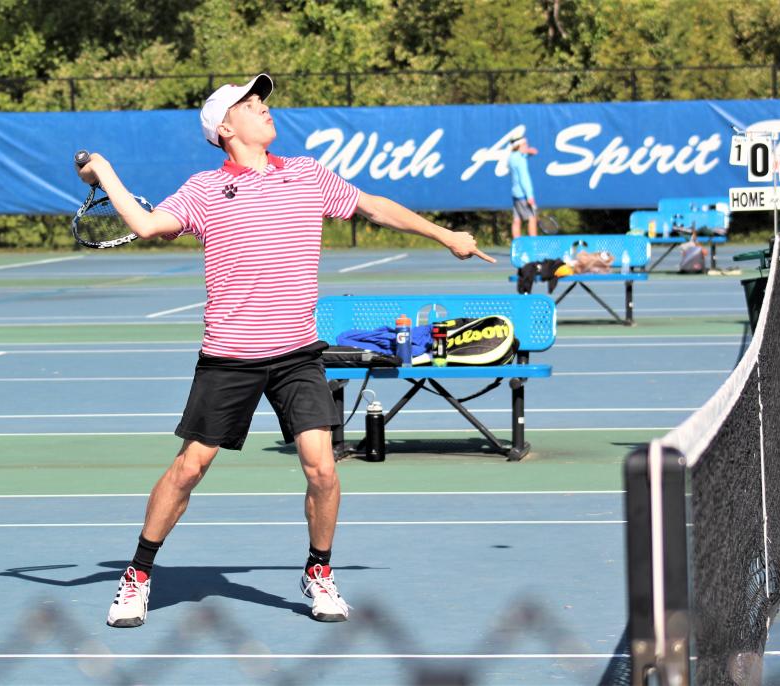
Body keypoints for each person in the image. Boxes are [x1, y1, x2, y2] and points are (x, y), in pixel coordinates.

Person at [76, 74, 494, 628]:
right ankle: (138, 574)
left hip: (297, 353)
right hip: (230, 354)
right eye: (251, 105)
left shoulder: (306, 175)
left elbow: (372, 207)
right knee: (190, 468)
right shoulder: (203, 190)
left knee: (322, 468)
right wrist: (104, 170)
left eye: (263, 101)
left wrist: (444, 235)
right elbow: (149, 225)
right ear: (225, 128)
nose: (265, 109)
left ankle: (319, 571)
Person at [508, 135, 539, 239]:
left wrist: (528, 152)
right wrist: (529, 196)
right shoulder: (521, 160)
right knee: (532, 218)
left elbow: (521, 154)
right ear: (519, 145)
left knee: (516, 220)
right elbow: (524, 179)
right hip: (523, 195)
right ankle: (533, 246)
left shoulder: (512, 157)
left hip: (515, 194)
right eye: (525, 144)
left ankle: (517, 247)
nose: (527, 146)